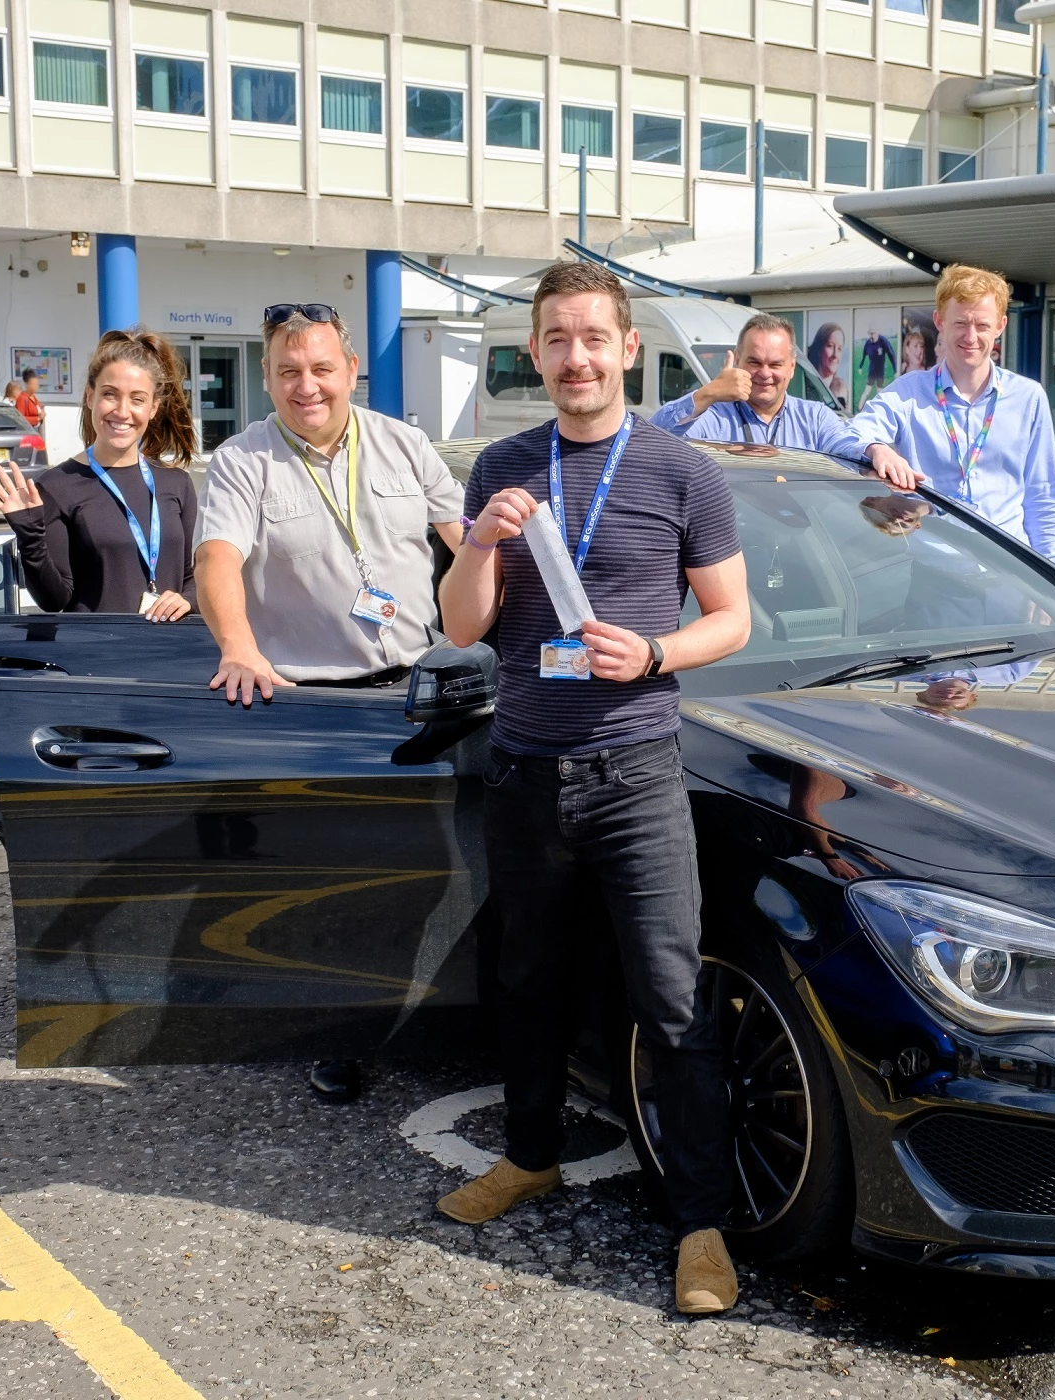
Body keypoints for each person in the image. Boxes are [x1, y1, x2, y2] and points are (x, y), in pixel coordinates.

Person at [435, 260, 752, 1317]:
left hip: (637, 772)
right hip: (526, 770)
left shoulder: (681, 471)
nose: (576, 355)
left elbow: (733, 619)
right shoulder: (502, 468)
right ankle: (531, 1154)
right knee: (526, 982)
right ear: (538, 355)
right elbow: (462, 625)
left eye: (593, 337)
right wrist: (480, 541)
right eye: (556, 339)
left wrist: (655, 653)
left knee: (669, 998)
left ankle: (701, 1224)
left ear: (627, 349)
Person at [192, 302, 467, 1102]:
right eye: (287, 371)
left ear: (351, 369)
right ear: (269, 377)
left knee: (432, 873)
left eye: (320, 368)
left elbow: (468, 538)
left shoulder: (405, 443)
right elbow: (216, 560)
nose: (305, 385)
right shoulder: (244, 461)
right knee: (330, 885)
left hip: (422, 692)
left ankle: (427, 1013)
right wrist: (237, 647)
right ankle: (335, 1035)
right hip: (315, 704)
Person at [853, 264, 1055, 565]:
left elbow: (1044, 500)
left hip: (1012, 577)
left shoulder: (1028, 398)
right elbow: (848, 435)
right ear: (939, 321)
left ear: (1000, 326)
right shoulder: (908, 394)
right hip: (935, 578)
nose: (971, 336)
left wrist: (1054, 593)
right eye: (960, 323)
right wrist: (876, 449)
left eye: (982, 325)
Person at [0, 330, 198, 619]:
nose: (122, 411)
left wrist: (187, 601)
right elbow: (54, 599)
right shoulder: (57, 486)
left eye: (137, 399)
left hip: (167, 656)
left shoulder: (177, 483)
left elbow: (195, 576)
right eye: (110, 394)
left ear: (153, 408)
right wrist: (30, 535)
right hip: (97, 656)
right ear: (89, 396)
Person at [650, 313, 864, 456]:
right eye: (754, 362)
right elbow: (652, 439)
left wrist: (875, 451)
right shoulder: (714, 417)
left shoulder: (815, 419)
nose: (764, 373)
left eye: (775, 364)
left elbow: (847, 447)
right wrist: (708, 393)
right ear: (737, 359)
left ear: (791, 367)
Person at [808, 322, 848, 405]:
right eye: (830, 346)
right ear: (819, 349)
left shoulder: (842, 389)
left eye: (839, 349)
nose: (835, 355)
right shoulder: (805, 387)